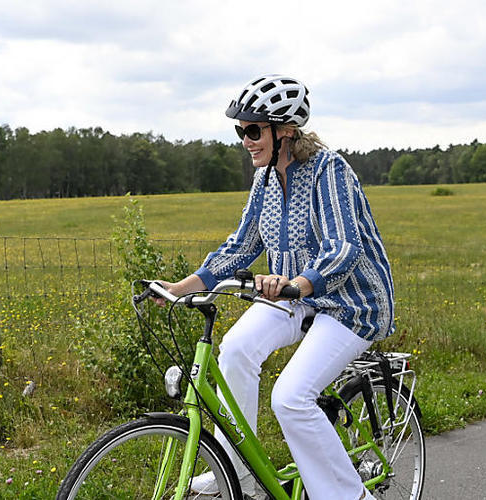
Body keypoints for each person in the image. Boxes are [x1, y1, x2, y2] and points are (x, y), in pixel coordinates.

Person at [159, 74, 393, 500]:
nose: (245, 140)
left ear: (285, 131)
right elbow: (241, 245)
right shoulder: (264, 179)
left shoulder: (329, 170)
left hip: (350, 304)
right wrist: (180, 287)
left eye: (253, 129)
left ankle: (351, 496)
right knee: (234, 350)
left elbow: (344, 246)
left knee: (290, 398)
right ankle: (235, 475)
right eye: (240, 130)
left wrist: (300, 283)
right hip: (291, 297)